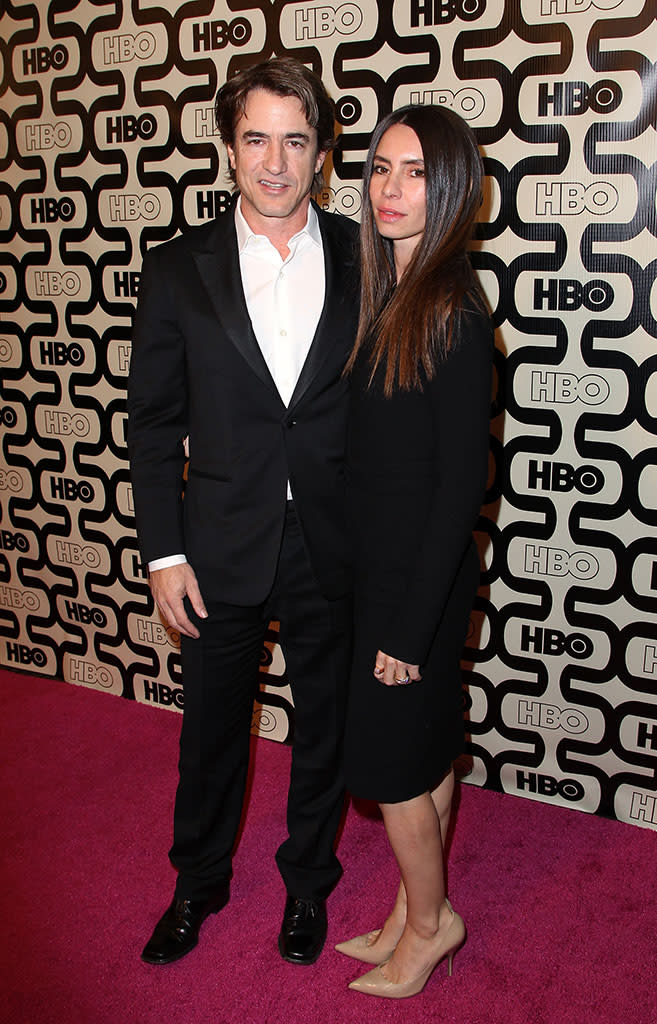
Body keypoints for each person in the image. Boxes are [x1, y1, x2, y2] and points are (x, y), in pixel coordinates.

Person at [127, 58, 359, 968]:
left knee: (325, 720)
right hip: (219, 539)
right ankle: (197, 881)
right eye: (256, 138)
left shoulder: (360, 251)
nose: (275, 161)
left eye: (294, 140)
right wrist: (162, 554)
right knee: (212, 725)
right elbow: (152, 424)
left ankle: (308, 883)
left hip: (332, 535)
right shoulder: (177, 269)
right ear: (229, 148)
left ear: (319, 153)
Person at [334, 104, 493, 998]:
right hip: (383, 574)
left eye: (418, 174)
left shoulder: (451, 313)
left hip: (411, 586)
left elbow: (455, 491)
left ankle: (430, 928)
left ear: (453, 189)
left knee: (396, 770)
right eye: (381, 170)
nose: (392, 191)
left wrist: (405, 625)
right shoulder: (390, 294)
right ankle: (409, 908)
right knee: (426, 756)